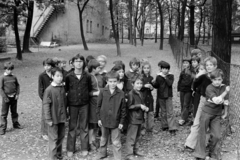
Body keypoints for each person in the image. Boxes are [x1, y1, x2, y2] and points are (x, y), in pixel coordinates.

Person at [193, 69, 230, 160]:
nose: (217, 82)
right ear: (211, 80)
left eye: (219, 80)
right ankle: (199, 154)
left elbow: (225, 101)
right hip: (206, 113)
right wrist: (225, 92)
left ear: (222, 79)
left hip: (216, 115)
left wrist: (225, 113)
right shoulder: (209, 88)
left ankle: (212, 152)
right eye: (215, 80)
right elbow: (217, 100)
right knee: (202, 133)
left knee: (217, 135)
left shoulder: (224, 87)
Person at [184, 56, 218, 151]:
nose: (209, 67)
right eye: (207, 65)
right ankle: (190, 144)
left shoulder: (217, 77)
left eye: (211, 65)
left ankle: (205, 144)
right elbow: (194, 86)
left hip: (214, 103)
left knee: (209, 123)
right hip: (204, 100)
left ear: (215, 66)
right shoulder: (203, 76)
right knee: (197, 121)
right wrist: (198, 78)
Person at [65, 54, 92, 157]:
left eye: (80, 61)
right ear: (73, 63)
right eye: (76, 61)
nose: (78, 63)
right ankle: (70, 148)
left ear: (83, 63)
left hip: (84, 104)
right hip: (72, 105)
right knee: (72, 127)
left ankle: (84, 148)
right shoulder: (68, 76)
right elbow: (66, 89)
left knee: (84, 126)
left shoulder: (87, 76)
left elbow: (88, 88)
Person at [96, 71, 126, 160]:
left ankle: (117, 157)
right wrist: (99, 119)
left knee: (116, 141)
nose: (112, 83)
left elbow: (123, 109)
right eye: (110, 81)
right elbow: (98, 106)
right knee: (103, 139)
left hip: (115, 121)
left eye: (115, 81)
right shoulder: (102, 92)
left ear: (118, 81)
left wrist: (121, 122)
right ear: (107, 81)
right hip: (104, 119)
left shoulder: (121, 93)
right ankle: (102, 153)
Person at [43, 67, 67, 160]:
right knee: (53, 139)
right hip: (53, 118)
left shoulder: (62, 88)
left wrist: (66, 115)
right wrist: (48, 119)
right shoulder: (49, 90)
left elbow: (64, 103)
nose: (60, 78)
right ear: (52, 76)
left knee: (61, 137)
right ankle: (52, 157)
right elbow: (46, 105)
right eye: (57, 76)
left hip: (62, 117)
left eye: (61, 76)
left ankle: (58, 154)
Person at [125, 75, 149, 160]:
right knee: (131, 137)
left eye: (141, 83)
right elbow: (129, 106)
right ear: (132, 84)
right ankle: (129, 154)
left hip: (140, 118)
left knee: (138, 136)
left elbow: (141, 104)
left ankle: (136, 150)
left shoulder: (140, 93)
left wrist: (145, 107)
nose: (139, 85)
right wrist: (139, 106)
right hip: (133, 119)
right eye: (137, 83)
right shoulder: (131, 94)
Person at [152, 61, 178, 135]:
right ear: (161, 69)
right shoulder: (158, 76)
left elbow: (170, 83)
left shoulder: (170, 76)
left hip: (168, 96)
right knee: (163, 112)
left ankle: (172, 127)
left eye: (166, 69)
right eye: (163, 69)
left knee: (170, 112)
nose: (165, 70)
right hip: (161, 96)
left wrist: (165, 77)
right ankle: (164, 125)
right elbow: (157, 86)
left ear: (168, 69)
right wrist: (153, 83)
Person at [0, 62, 22, 135]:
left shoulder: (14, 77)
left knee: (14, 112)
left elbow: (17, 85)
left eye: (11, 69)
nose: (10, 71)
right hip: (6, 98)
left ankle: (15, 124)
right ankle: (3, 128)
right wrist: (5, 97)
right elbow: (1, 88)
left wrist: (17, 94)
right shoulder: (2, 77)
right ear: (5, 69)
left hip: (14, 97)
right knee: (4, 114)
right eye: (8, 69)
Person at [88, 59, 105, 151]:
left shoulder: (100, 76)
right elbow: (85, 91)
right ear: (93, 68)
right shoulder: (88, 77)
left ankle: (94, 139)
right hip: (91, 102)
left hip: (100, 101)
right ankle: (90, 142)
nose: (100, 68)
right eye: (98, 67)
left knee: (97, 122)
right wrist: (94, 94)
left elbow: (103, 86)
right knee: (92, 122)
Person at [38, 58, 54, 140]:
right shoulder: (42, 76)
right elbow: (40, 89)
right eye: (45, 65)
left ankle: (51, 131)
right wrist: (43, 98)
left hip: (54, 97)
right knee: (45, 115)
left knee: (53, 114)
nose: (47, 67)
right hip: (45, 98)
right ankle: (44, 132)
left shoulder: (54, 74)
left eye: (48, 65)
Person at [177, 57, 194, 126]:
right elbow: (180, 81)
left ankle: (183, 119)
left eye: (186, 63)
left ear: (189, 64)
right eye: (184, 63)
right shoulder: (183, 71)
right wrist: (178, 89)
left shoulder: (191, 72)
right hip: (182, 90)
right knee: (182, 103)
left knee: (186, 104)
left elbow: (190, 81)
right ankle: (183, 116)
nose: (185, 64)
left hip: (188, 90)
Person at [141, 61, 155, 132]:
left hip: (149, 97)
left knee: (150, 113)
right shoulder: (140, 77)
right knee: (143, 114)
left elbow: (152, 87)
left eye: (148, 68)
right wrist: (144, 86)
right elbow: (138, 87)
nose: (146, 69)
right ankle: (143, 128)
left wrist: (151, 87)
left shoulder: (151, 78)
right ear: (142, 69)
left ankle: (150, 127)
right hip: (143, 97)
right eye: (145, 68)